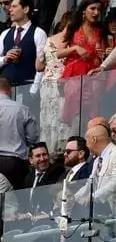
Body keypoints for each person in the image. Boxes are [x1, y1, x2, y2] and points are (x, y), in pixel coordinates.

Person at [59, 0, 105, 124]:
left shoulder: (99, 31)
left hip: (93, 76)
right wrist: (75, 48)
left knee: (92, 115)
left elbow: (101, 56)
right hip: (75, 76)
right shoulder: (73, 27)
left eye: (99, 10)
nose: (96, 12)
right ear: (84, 10)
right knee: (75, 116)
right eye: (92, 8)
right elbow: (58, 53)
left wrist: (102, 53)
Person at [36, 11, 72, 152]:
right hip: (63, 84)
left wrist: (50, 66)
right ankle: (62, 151)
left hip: (47, 84)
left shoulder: (49, 40)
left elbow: (38, 66)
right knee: (62, 120)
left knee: (48, 121)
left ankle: (50, 151)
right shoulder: (73, 41)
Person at [0, 77, 39, 189]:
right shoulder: (23, 109)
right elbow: (32, 139)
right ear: (10, 89)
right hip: (15, 162)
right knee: (17, 200)